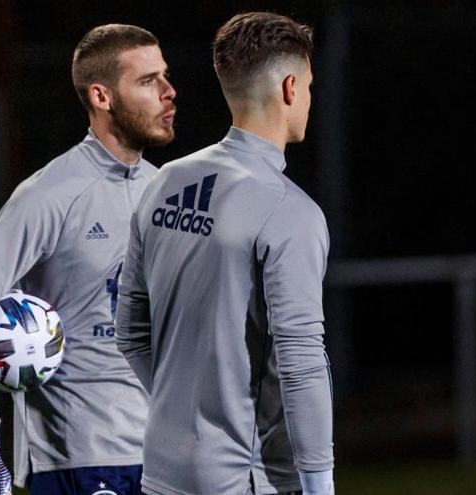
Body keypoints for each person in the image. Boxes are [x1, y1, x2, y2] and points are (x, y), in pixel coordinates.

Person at [0, 24, 176, 494]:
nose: (169, 92)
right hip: (85, 459)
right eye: (148, 81)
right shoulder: (51, 194)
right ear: (101, 96)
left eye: (165, 77)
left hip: (171, 456)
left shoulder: (167, 191)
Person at [115, 11, 334, 495]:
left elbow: (130, 331)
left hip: (162, 474)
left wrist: (187, 412)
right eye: (311, 86)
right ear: (291, 88)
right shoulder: (290, 211)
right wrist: (321, 486)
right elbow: (302, 364)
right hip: (244, 479)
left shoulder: (163, 182)